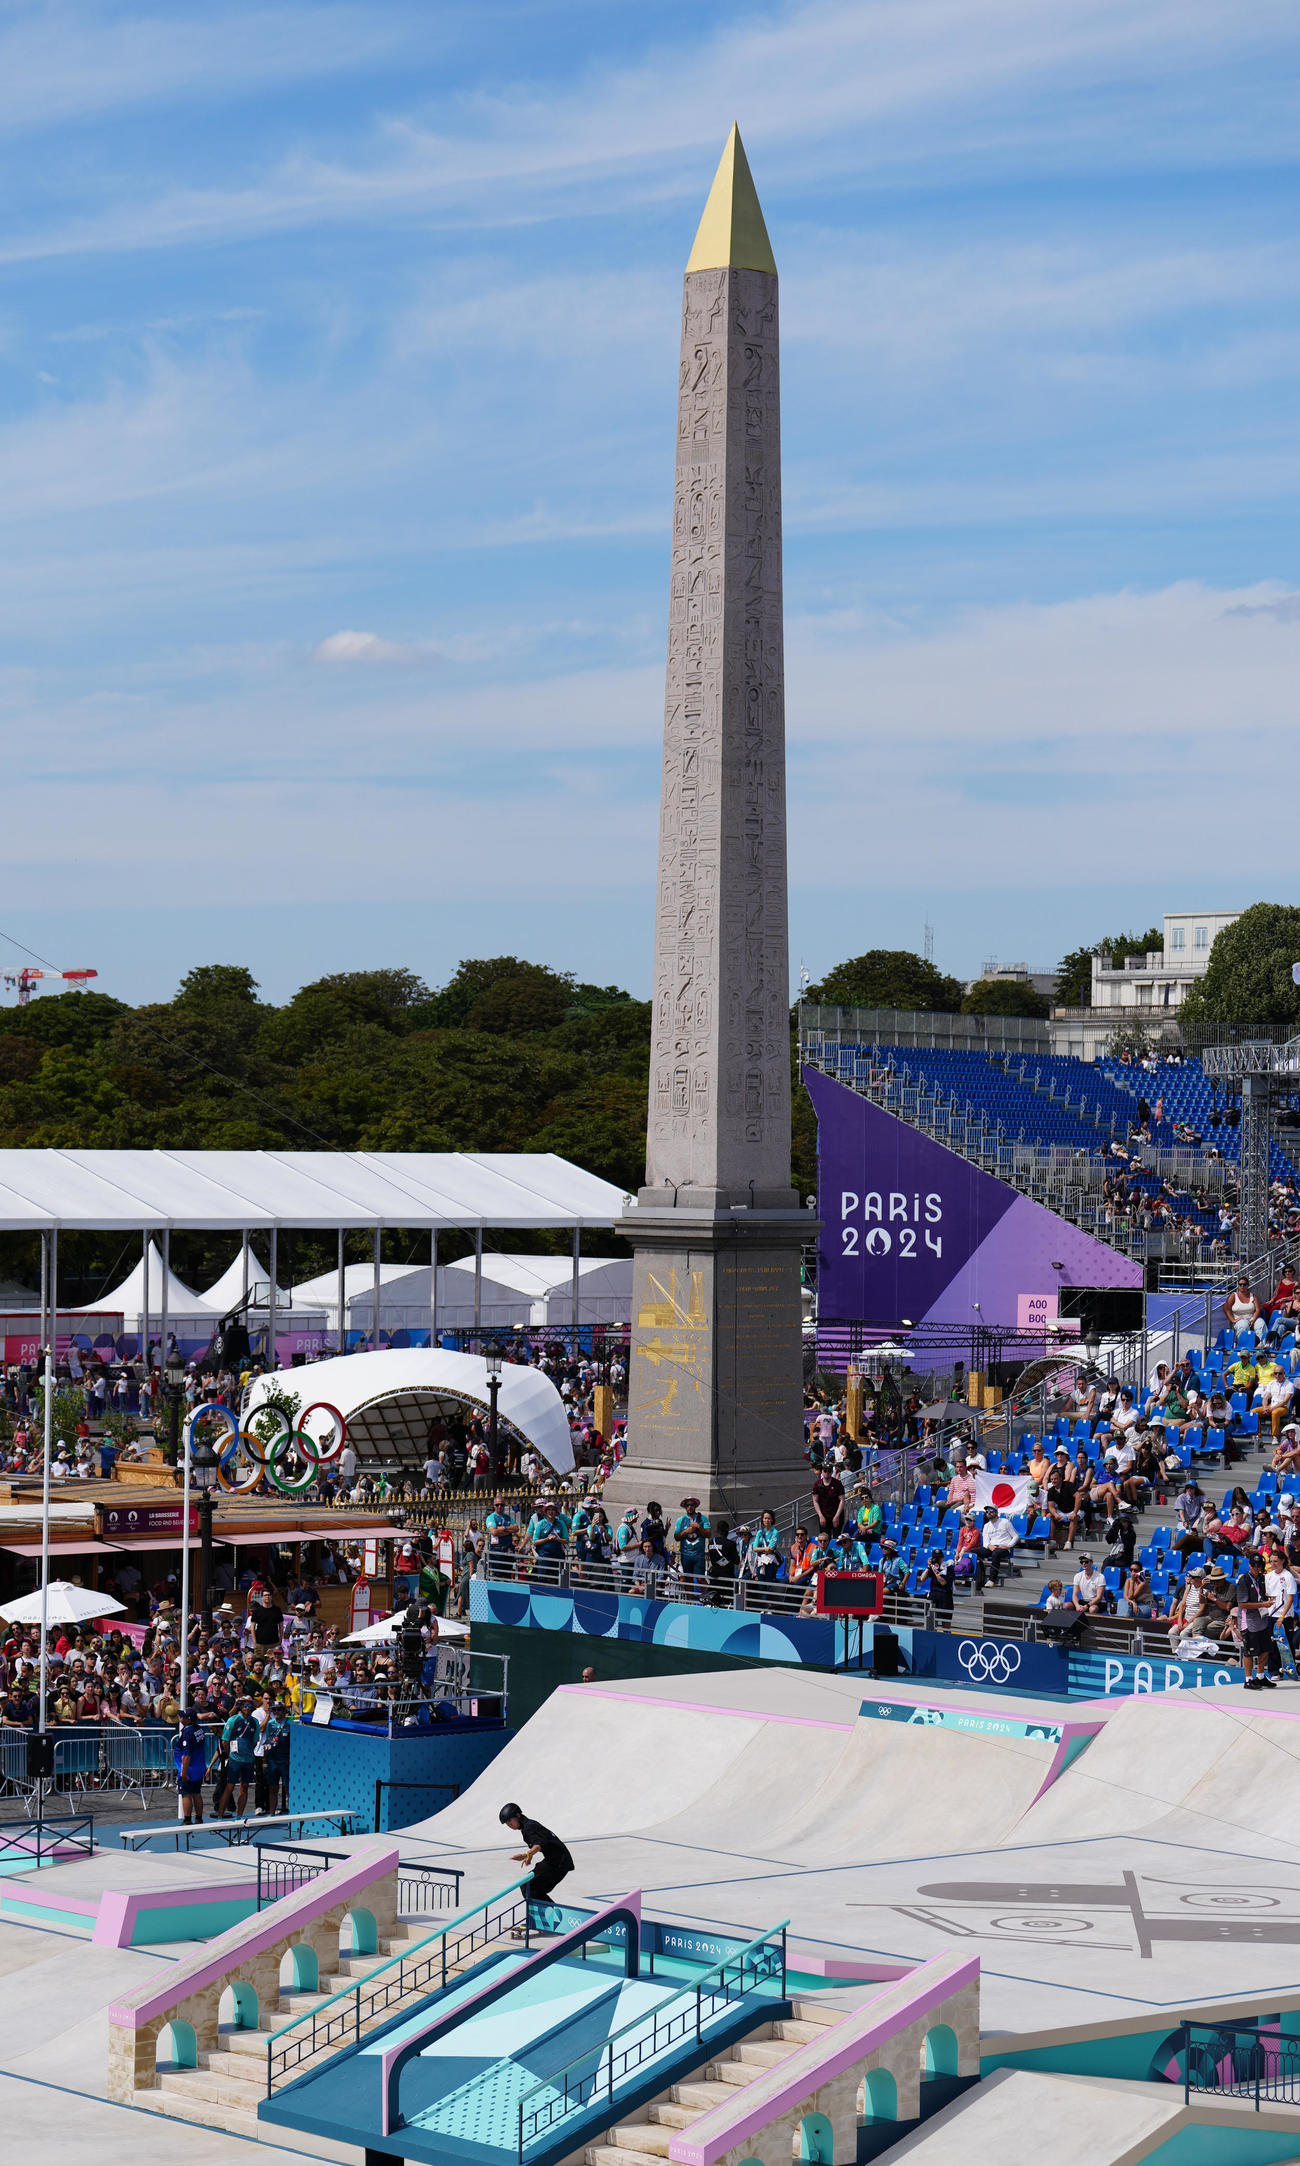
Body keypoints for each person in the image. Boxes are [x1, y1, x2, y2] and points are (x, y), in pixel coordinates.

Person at [499, 1802, 574, 1927]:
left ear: (518, 1815)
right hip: (557, 1860)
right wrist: (530, 1856)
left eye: (510, 1821)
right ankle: (550, 1920)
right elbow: (540, 1843)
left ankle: (552, 1919)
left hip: (558, 1862)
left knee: (527, 1886)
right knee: (534, 1889)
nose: (510, 1825)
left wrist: (527, 1855)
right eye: (507, 1824)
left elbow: (538, 1845)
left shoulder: (529, 1827)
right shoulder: (527, 1827)